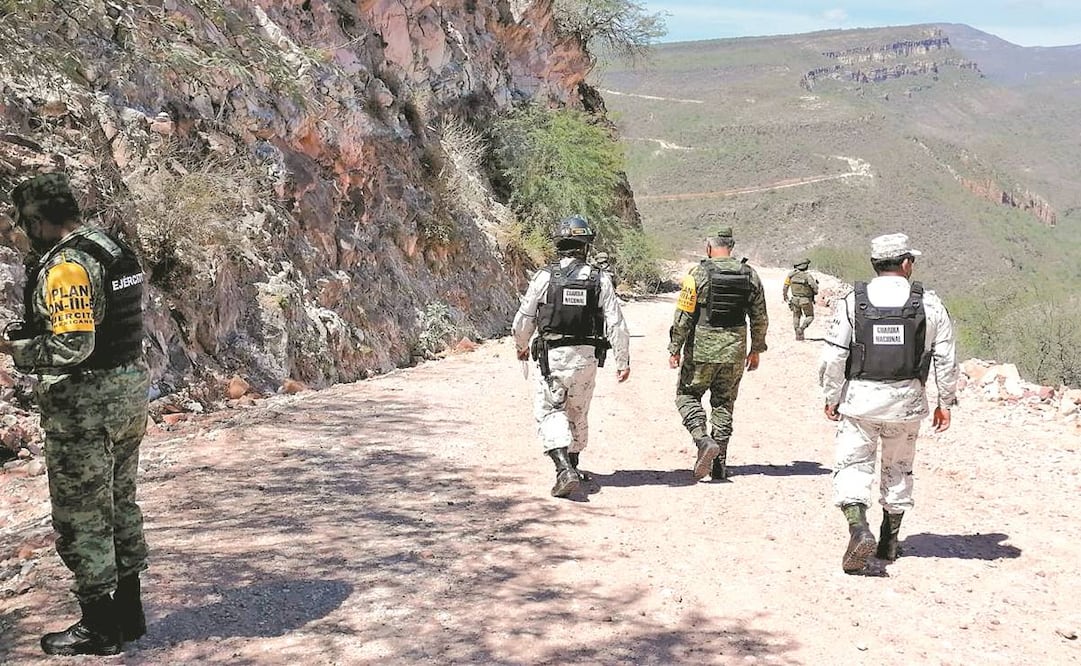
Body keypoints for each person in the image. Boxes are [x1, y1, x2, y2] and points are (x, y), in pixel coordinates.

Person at [0, 173, 150, 655]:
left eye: (26, 224)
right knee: (119, 501)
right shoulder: (110, 245)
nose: (24, 233)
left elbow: (73, 344)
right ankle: (130, 612)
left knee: (82, 516)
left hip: (87, 407)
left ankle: (99, 628)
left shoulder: (66, 267)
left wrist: (17, 347)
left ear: (40, 220)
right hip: (128, 395)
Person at [819, 233, 958, 574]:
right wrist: (945, 402)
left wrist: (831, 396)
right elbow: (946, 357)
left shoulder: (854, 301)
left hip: (860, 401)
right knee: (899, 469)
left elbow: (835, 355)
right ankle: (889, 542)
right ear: (907, 263)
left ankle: (857, 528)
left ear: (874, 264)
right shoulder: (929, 303)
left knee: (852, 465)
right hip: (906, 403)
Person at [512, 215, 631, 498]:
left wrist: (521, 345)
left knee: (550, 411)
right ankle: (574, 467)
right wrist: (622, 361)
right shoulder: (599, 279)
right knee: (578, 411)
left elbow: (525, 317)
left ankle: (564, 468)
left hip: (552, 358)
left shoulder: (544, 277)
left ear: (560, 245)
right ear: (586, 246)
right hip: (586, 358)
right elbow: (616, 323)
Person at [668, 227, 768, 481]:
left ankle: (702, 440)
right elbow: (760, 318)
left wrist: (674, 348)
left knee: (687, 395)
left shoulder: (697, 274)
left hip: (701, 350)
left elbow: (683, 316)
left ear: (708, 247)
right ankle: (719, 464)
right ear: (731, 247)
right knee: (724, 403)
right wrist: (756, 349)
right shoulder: (750, 275)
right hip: (734, 351)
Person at [783, 258, 819, 340]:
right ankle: (801, 329)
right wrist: (815, 291)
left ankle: (797, 334)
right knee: (810, 316)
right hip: (806, 300)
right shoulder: (808, 276)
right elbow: (814, 288)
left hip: (794, 299)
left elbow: (785, 286)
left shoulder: (790, 275)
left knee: (796, 316)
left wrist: (785, 296)